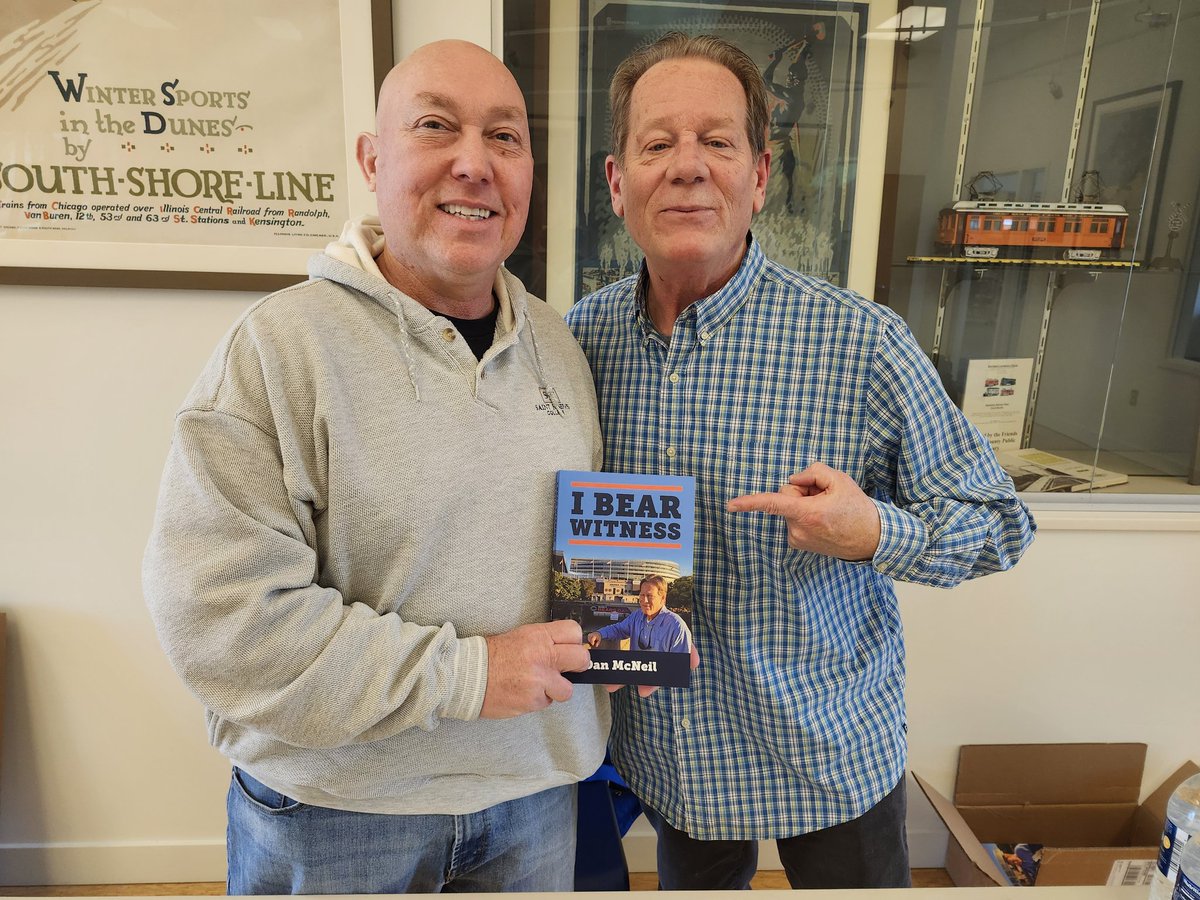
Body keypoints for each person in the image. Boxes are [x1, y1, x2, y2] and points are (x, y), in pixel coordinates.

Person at [565, 32, 1036, 891]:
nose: (687, 167)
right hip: (674, 752)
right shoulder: (577, 344)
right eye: (657, 144)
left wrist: (873, 532)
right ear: (617, 181)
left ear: (758, 176)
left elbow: (1001, 523)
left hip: (830, 753)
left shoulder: (862, 343)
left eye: (717, 141)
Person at [142, 40, 609, 895]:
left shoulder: (561, 348)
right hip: (336, 811)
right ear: (371, 159)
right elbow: (223, 623)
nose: (474, 162)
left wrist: (628, 640)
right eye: (435, 126)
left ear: (528, 172)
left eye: (504, 136)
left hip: (535, 796)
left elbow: (590, 557)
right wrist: (470, 674)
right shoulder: (278, 348)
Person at [587, 575, 693, 653]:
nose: (644, 600)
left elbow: (680, 666)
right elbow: (618, 629)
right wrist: (600, 633)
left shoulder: (677, 627)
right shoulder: (636, 616)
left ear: (663, 598)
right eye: (642, 595)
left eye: (650, 596)